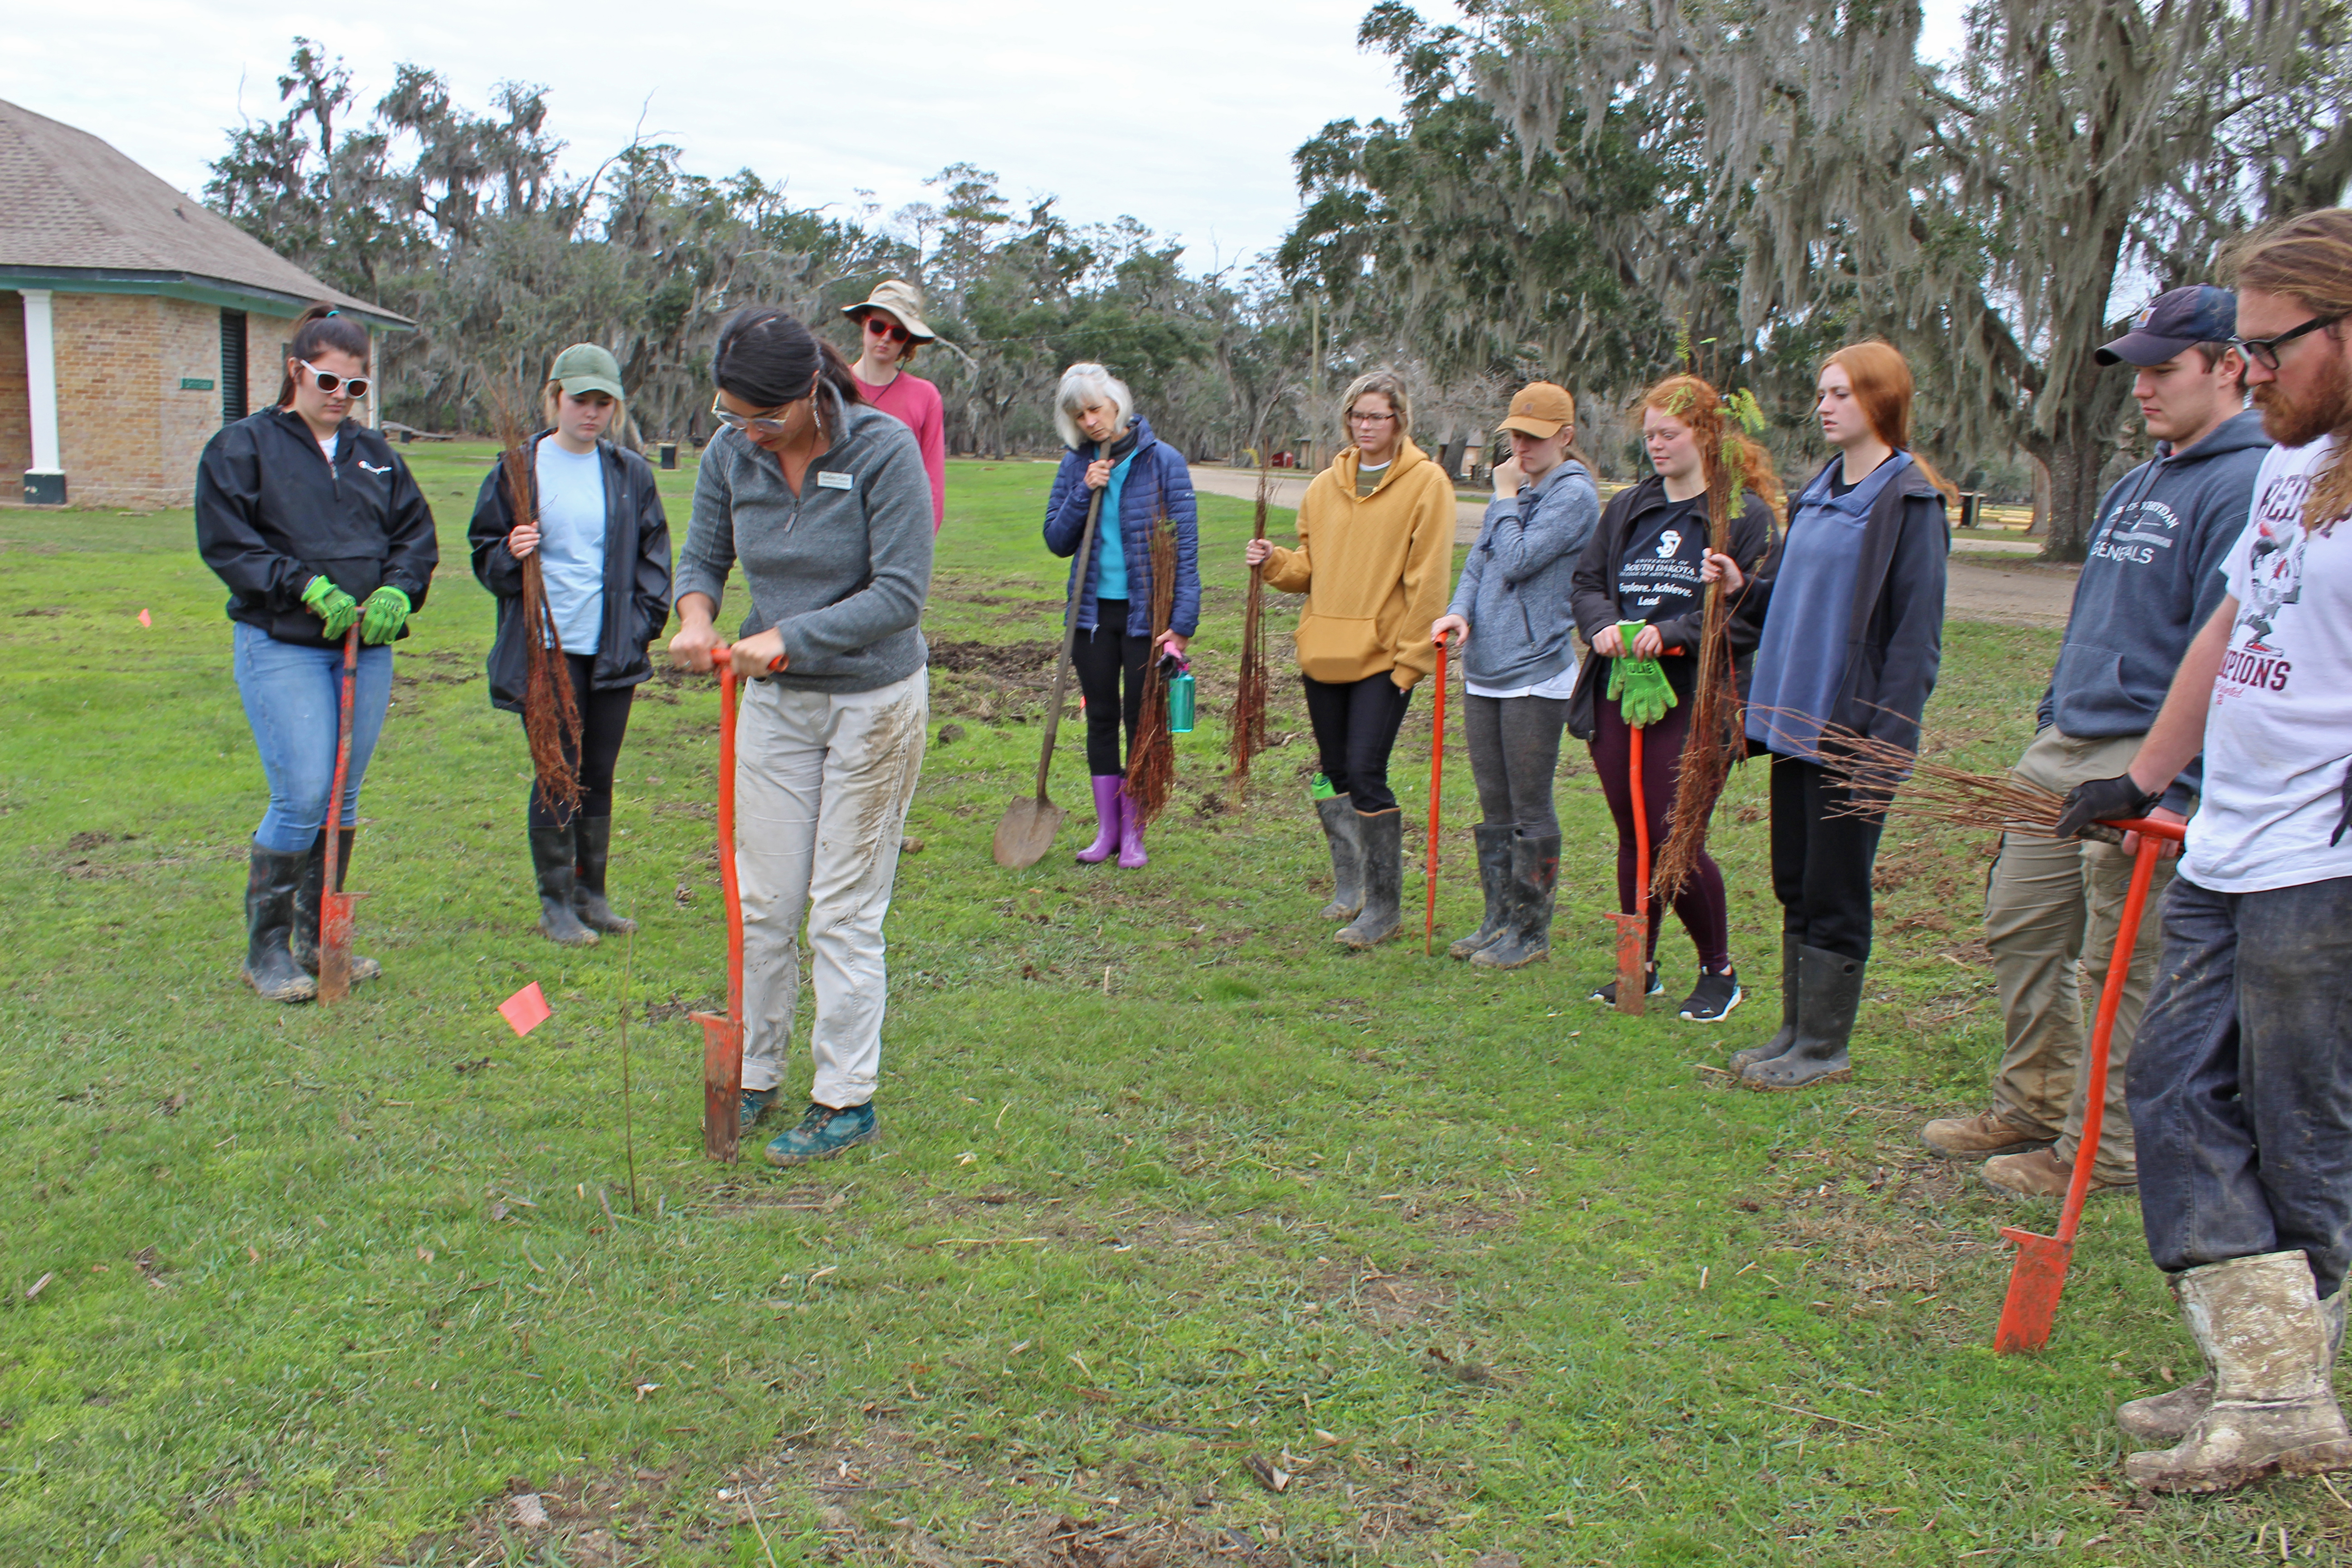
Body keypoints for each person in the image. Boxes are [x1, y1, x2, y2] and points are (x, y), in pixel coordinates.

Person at [2056, 209, 2352, 1494]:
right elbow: (2233, 624)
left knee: (2301, 1123)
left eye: (2270, 347)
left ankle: (2279, 1388)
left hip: (2325, 860)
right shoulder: (2293, 467)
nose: (2251, 371)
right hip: (2230, 836)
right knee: (2176, 1091)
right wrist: (2144, 771)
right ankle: (2261, 1363)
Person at [1923, 288, 2264, 1197]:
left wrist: (2170, 784)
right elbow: (2092, 619)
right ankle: (2030, 1103)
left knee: (2122, 962)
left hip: (2142, 764)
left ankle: (2101, 1149)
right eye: (2136, 371)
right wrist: (2050, 712)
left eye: (2162, 369)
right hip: (2064, 748)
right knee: (2022, 927)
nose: (2142, 389)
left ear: (2227, 365)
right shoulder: (2137, 479)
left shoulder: (2247, 484)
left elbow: (2226, 649)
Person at [669, 307, 933, 1167]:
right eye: (733, 414)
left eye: (764, 416)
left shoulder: (882, 451)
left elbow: (899, 594)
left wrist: (791, 636)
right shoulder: (729, 454)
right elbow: (702, 557)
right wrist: (696, 617)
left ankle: (844, 1098)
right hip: (775, 706)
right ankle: (755, 1072)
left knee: (845, 909)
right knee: (765, 903)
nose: (748, 431)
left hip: (874, 700)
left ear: (813, 393)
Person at [1712, 342, 1950, 1088]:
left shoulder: (1907, 500)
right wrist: (1740, 588)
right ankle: (1794, 1029)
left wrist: (1886, 740)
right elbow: (1785, 595)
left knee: (1838, 884)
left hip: (1850, 730)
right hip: (1791, 722)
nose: (1824, 405)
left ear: (1880, 400)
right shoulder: (1818, 491)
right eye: (1821, 392)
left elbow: (1916, 636)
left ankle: (1825, 1046)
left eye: (1841, 393)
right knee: (1796, 878)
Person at [195, 303, 437, 1002]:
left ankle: (321, 938)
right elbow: (230, 543)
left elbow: (414, 538)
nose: (341, 398)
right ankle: (265, 951)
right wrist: (304, 587)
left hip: (366, 647)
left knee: (343, 794)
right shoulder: (242, 448)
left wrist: (398, 590)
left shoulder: (377, 456)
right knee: (302, 792)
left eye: (355, 387)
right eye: (329, 381)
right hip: (284, 644)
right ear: (296, 369)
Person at [1568, 374, 1780, 1018]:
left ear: (1707, 434)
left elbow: (1748, 613)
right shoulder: (1630, 506)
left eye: (1669, 434)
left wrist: (1670, 634)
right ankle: (1640, 965)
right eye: (1649, 435)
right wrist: (1604, 625)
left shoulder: (1742, 515)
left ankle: (1720, 971)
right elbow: (1585, 581)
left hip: (1694, 700)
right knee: (1632, 834)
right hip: (1616, 691)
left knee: (1673, 835)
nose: (1655, 445)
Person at [468, 344, 674, 946]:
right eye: (579, 399)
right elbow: (484, 554)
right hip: (546, 648)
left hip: (610, 649)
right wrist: (510, 555)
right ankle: (556, 904)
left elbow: (653, 558)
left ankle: (594, 895)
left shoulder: (629, 472)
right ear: (554, 397)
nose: (590, 412)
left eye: (602, 402)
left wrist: (640, 627)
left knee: (599, 772)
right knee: (558, 771)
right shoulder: (518, 467)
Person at [1247, 369, 1455, 947]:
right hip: (1325, 652)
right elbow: (1309, 568)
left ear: (1400, 420)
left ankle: (1384, 908)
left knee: (1366, 772)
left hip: (1385, 657)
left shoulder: (1427, 484)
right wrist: (1273, 561)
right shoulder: (1322, 488)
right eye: (1358, 416)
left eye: (1378, 416)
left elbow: (1428, 579)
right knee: (1334, 773)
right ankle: (1352, 887)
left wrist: (1413, 659)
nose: (1367, 426)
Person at [1429, 382, 1600, 970]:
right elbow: (1480, 562)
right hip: (1484, 667)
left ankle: (1529, 931)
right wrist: (1458, 608)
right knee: (1492, 801)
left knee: (1529, 804)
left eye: (1532, 437)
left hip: (1535, 670)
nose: (1520, 448)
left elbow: (1521, 557)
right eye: (1514, 437)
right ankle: (1496, 918)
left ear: (1564, 436)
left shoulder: (1573, 496)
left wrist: (1502, 496)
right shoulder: (1518, 493)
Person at [1042, 363, 1201, 868]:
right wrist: (1083, 488)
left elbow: (1188, 549)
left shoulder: (1164, 462)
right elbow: (1056, 540)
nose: (1089, 421)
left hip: (1145, 618)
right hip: (1091, 617)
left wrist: (1182, 623)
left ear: (1117, 404)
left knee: (1140, 718)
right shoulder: (1076, 464)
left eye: (1096, 408)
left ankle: (1134, 831)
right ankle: (1106, 831)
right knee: (1102, 717)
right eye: (1078, 414)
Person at [842, 281, 946, 531]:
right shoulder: (831, 386)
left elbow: (932, 480)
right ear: (865, 323)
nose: (886, 337)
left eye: (898, 332)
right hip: (835, 531)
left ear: (907, 341)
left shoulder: (925, 396)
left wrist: (919, 542)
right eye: (878, 327)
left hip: (895, 529)